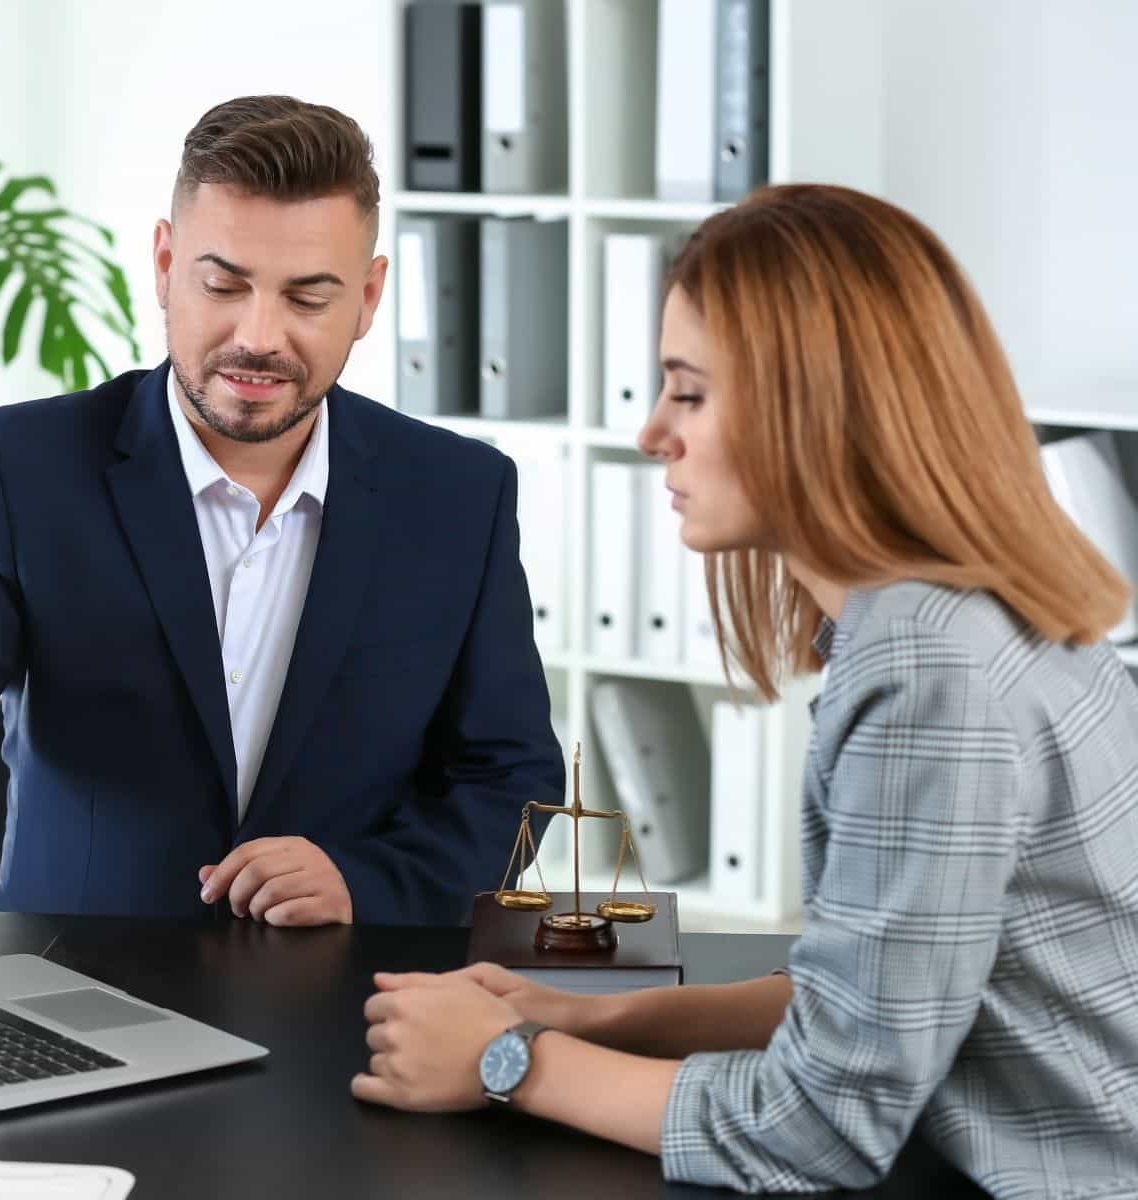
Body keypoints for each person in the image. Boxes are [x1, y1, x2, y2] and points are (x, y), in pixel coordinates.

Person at [352, 184, 1138, 1197]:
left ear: (809, 404)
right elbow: (874, 995)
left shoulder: (926, 672)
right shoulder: (964, 610)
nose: (651, 434)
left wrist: (511, 1064)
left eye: (688, 392)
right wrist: (598, 1016)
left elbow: (821, 1126)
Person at [0, 95, 565, 927]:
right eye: (224, 284)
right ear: (167, 264)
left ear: (369, 295)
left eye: (308, 299)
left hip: (352, 1006)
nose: (259, 336)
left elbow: (509, 776)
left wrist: (366, 882)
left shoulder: (460, 494)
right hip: (75, 990)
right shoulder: (23, 468)